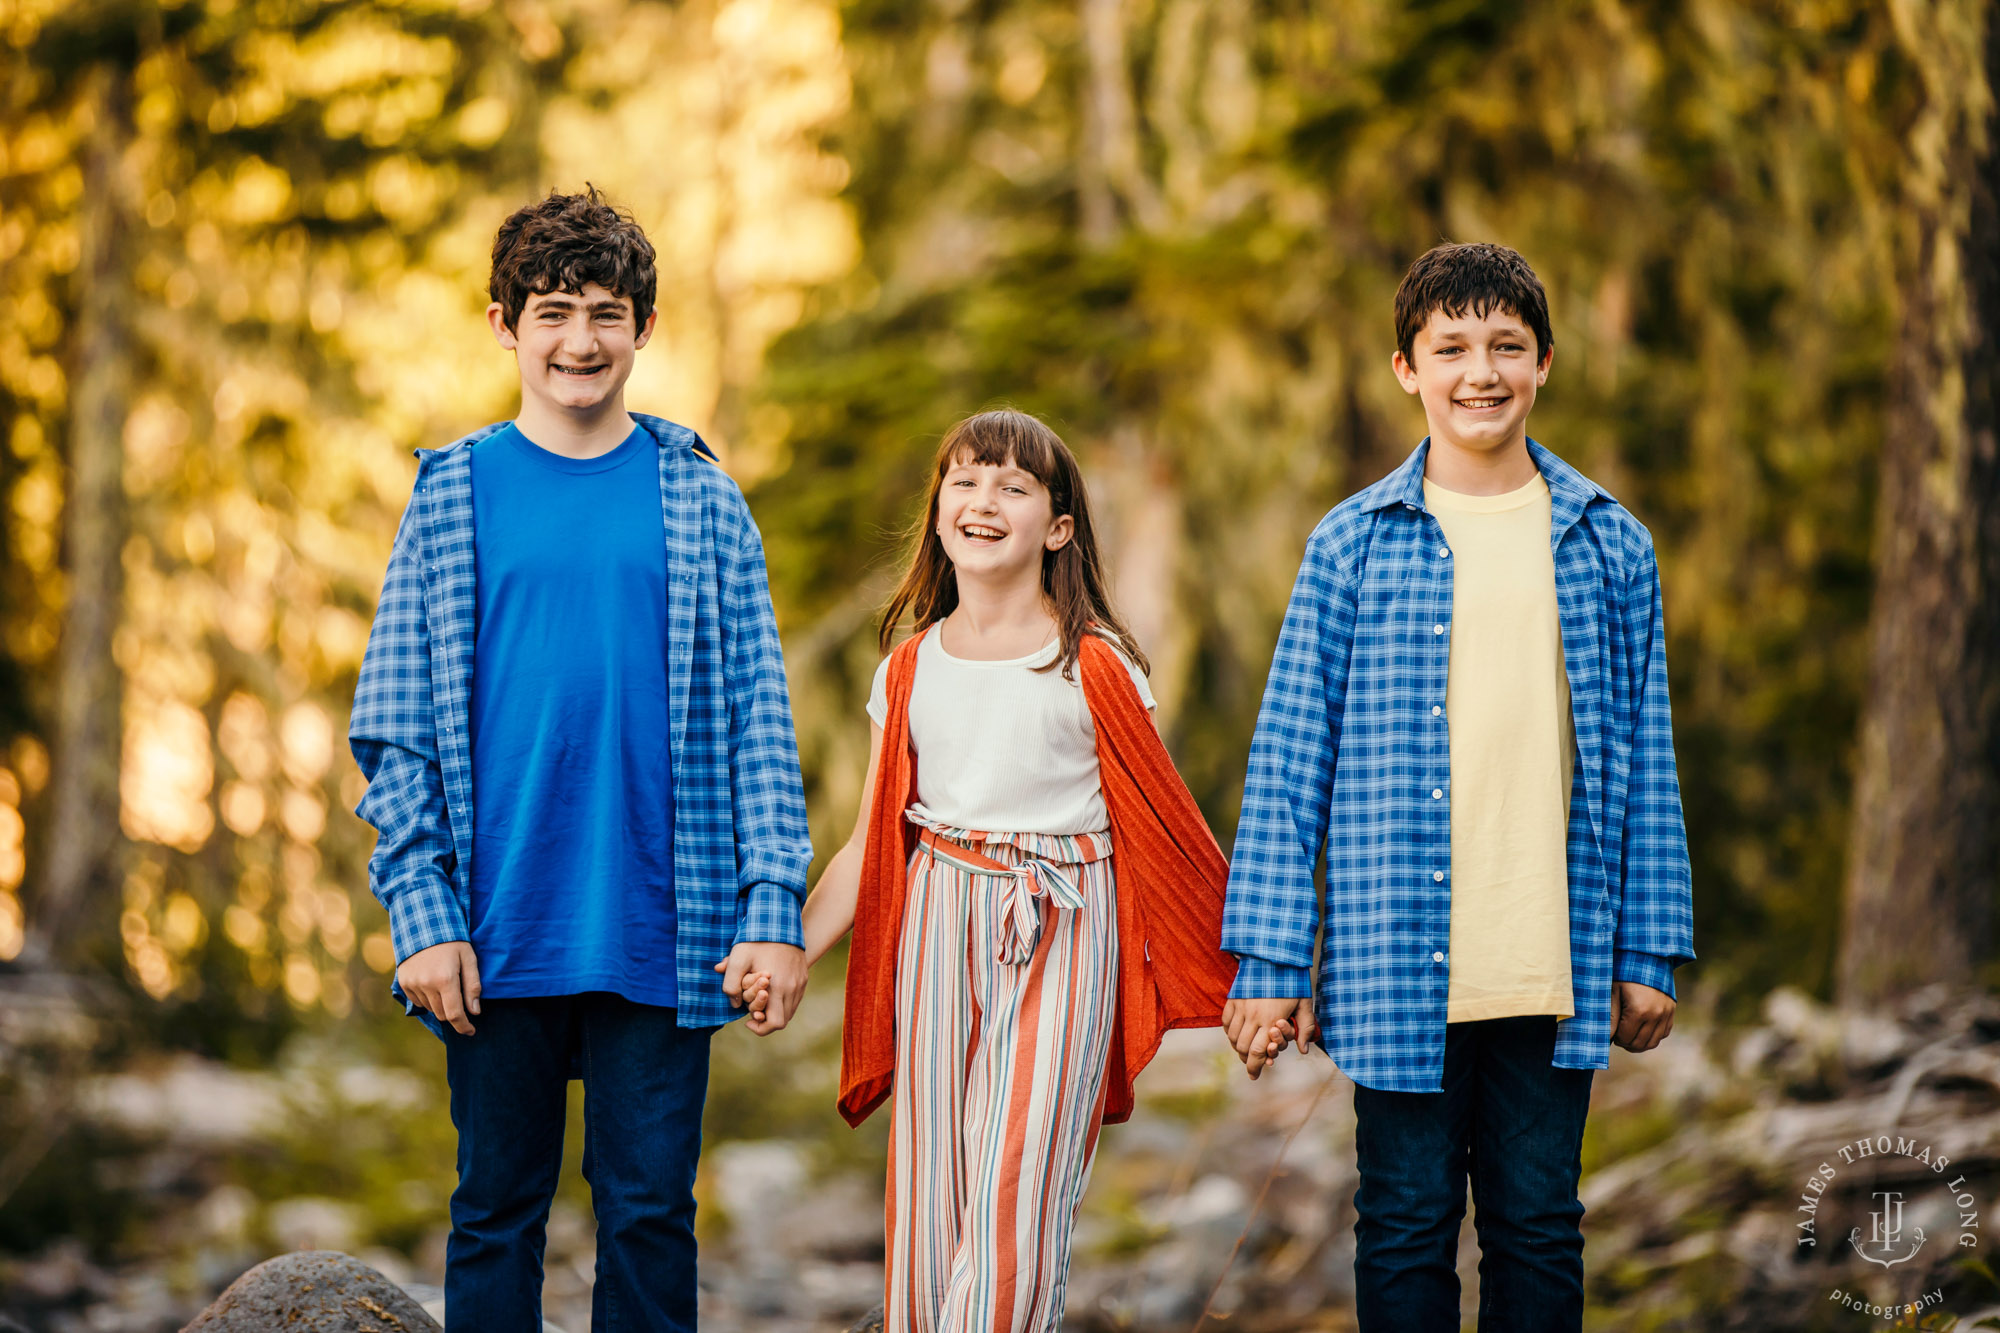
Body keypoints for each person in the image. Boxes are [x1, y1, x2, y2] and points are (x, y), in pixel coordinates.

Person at [347, 186, 812, 1333]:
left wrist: (771, 905)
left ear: (642, 330)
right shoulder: (453, 491)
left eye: (606, 313)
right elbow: (395, 721)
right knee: (494, 1210)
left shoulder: (702, 497)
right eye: (552, 312)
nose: (580, 341)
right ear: (504, 324)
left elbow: (759, 715)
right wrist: (421, 909)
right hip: (493, 927)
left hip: (668, 920)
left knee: (649, 1211)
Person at [1220, 242, 1695, 1332]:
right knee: (1400, 1218)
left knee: (1536, 1220)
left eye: (1504, 348)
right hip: (1394, 951)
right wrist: (1270, 958)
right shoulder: (1349, 546)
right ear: (1405, 368)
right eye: (1450, 349)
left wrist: (1643, 947)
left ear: (1542, 366)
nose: (1478, 372)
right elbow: (1289, 762)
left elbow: (1643, 756)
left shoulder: (1608, 543)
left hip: (1551, 951)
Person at [787, 409, 1235, 1333]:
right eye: (964, 479)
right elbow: (872, 836)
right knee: (931, 1192)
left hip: (1065, 917)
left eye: (1012, 485)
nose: (982, 500)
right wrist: (787, 952)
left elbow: (1171, 836)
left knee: (1019, 1182)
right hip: (938, 913)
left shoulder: (1095, 665)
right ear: (938, 509)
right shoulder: (910, 667)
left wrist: (1256, 975)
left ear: (1057, 527)